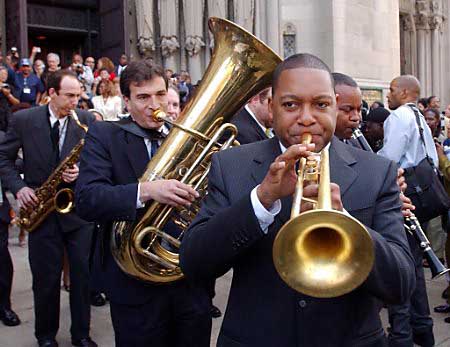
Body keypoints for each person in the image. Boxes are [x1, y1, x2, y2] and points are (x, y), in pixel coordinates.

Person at [180, 53, 415, 347]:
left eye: (321, 104)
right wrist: (261, 200)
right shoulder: (230, 166)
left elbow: (402, 284)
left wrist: (345, 223)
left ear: (334, 105)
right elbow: (195, 263)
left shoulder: (378, 171)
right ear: (271, 107)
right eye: (291, 105)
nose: (306, 118)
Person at [75, 59, 212, 347]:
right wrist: (146, 191)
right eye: (143, 97)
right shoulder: (105, 135)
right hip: (134, 283)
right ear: (126, 100)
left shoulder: (186, 137)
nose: (154, 104)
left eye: (160, 95)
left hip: (188, 278)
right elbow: (87, 200)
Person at [0, 69, 97, 347]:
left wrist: (82, 171)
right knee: (45, 280)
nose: (75, 102)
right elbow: (3, 159)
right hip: (41, 212)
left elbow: (98, 162)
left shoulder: (87, 120)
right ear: (51, 94)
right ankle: (45, 336)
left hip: (77, 212)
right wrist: (19, 188)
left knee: (82, 277)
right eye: (69, 96)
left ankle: (81, 334)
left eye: (78, 96)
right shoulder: (23, 120)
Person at [378, 75, 437, 347]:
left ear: (403, 92)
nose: (388, 95)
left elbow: (388, 160)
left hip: (404, 196)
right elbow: (432, 160)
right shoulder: (419, 117)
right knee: (413, 264)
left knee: (400, 265)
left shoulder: (399, 117)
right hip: (423, 196)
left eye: (391, 90)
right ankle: (423, 329)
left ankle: (401, 335)